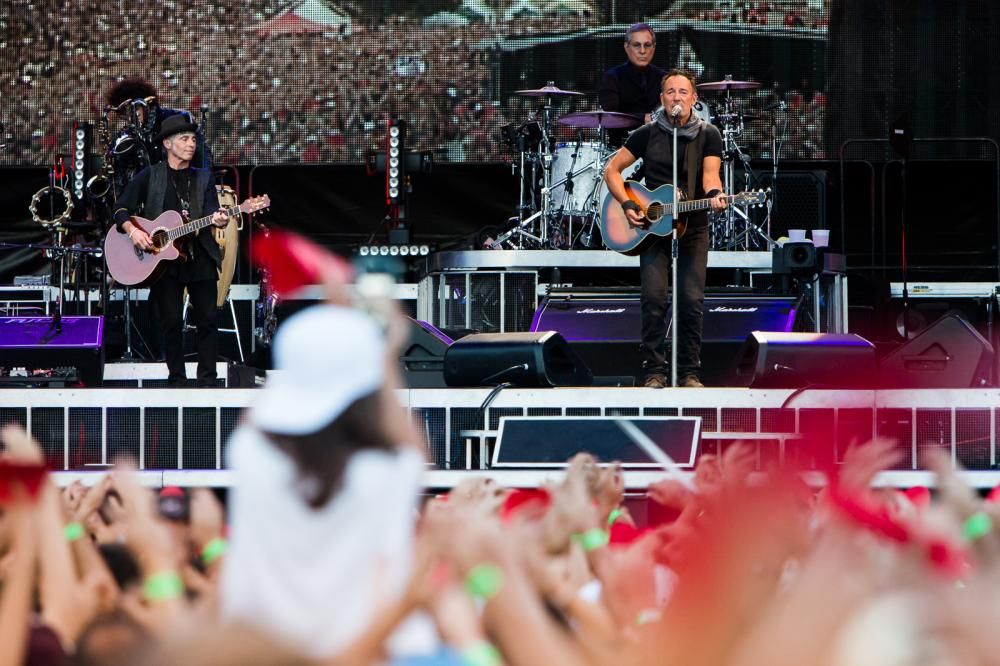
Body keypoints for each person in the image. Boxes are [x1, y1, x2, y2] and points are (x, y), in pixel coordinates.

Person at [220, 296, 434, 659]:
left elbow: (254, 422)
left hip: (265, 654)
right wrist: (380, 354)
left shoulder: (254, 460)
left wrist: (302, 362)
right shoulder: (385, 472)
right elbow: (413, 451)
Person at [603, 69, 727, 388]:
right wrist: (628, 204)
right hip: (653, 229)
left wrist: (715, 194)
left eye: (683, 92)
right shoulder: (646, 133)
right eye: (670, 92)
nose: (676, 97)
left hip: (693, 225)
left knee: (691, 300)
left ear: (694, 99)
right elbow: (612, 170)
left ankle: (689, 372)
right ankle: (654, 371)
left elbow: (710, 176)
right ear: (661, 99)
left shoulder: (709, 134)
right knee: (654, 299)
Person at [112, 113, 229, 387]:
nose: (191, 144)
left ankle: (208, 381)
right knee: (171, 322)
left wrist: (219, 219)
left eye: (193, 139)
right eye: (185, 139)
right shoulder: (150, 175)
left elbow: (212, 212)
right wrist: (134, 232)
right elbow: (120, 209)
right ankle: (177, 379)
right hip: (163, 262)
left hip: (199, 255)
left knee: (208, 320)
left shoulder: (203, 178)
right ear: (167, 143)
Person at [598, 23, 667, 146]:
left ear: (654, 47)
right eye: (637, 45)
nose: (642, 51)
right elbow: (610, 117)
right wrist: (643, 118)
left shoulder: (664, 78)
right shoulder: (612, 77)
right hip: (621, 147)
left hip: (659, 146)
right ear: (626, 47)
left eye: (647, 45)